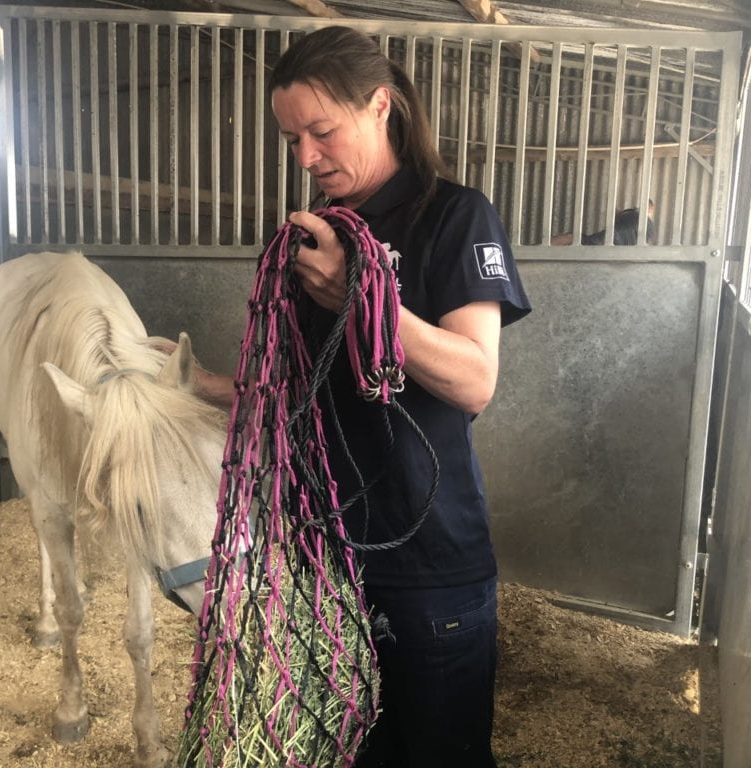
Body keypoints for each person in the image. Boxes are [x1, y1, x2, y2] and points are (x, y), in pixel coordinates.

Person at [190, 26, 530, 767]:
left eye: (321, 132)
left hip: (429, 562)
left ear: (381, 106)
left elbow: (475, 380)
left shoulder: (454, 215)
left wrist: (360, 297)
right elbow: (300, 396)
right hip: (328, 564)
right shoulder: (318, 237)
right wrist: (199, 387)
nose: (306, 157)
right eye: (290, 140)